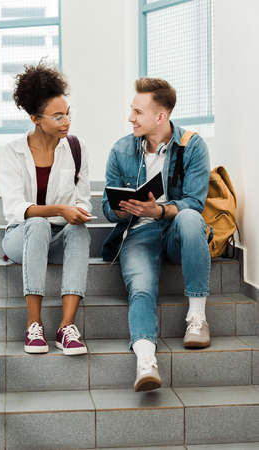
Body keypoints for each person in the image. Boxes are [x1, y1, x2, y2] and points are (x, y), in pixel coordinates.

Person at [102, 77, 211, 392]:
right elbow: (110, 211)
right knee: (142, 288)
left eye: (137, 112)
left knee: (191, 218)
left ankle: (197, 319)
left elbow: (194, 202)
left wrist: (160, 211)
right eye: (132, 110)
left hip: (176, 230)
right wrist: (124, 209)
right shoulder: (121, 149)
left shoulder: (192, 145)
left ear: (160, 117)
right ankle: (146, 360)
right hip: (138, 232)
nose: (130, 118)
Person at [0, 61, 92, 355]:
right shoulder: (12, 152)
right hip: (20, 237)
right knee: (38, 223)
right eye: (57, 116)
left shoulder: (77, 148)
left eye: (68, 113)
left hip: (58, 236)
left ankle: (66, 327)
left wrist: (76, 213)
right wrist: (58, 210)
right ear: (35, 119)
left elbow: (83, 200)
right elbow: (15, 208)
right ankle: (33, 325)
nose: (66, 121)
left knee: (79, 232)